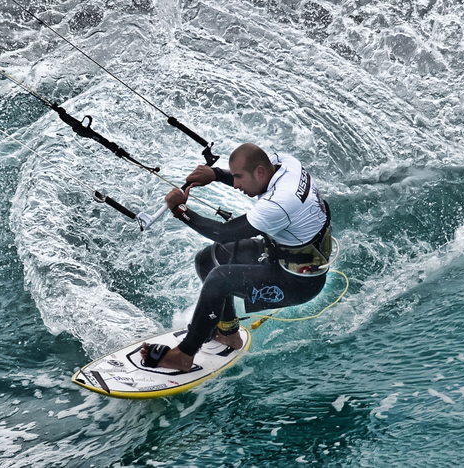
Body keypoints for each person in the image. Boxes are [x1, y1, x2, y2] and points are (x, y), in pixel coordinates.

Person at [139, 142, 332, 372]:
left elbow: (223, 233)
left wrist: (180, 211)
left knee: (220, 278)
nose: (236, 184)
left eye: (239, 178)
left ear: (260, 172)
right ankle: (229, 334)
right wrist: (215, 174)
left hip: (299, 281)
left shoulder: (280, 203)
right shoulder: (285, 163)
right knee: (207, 260)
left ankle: (184, 355)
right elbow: (250, 173)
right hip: (278, 254)